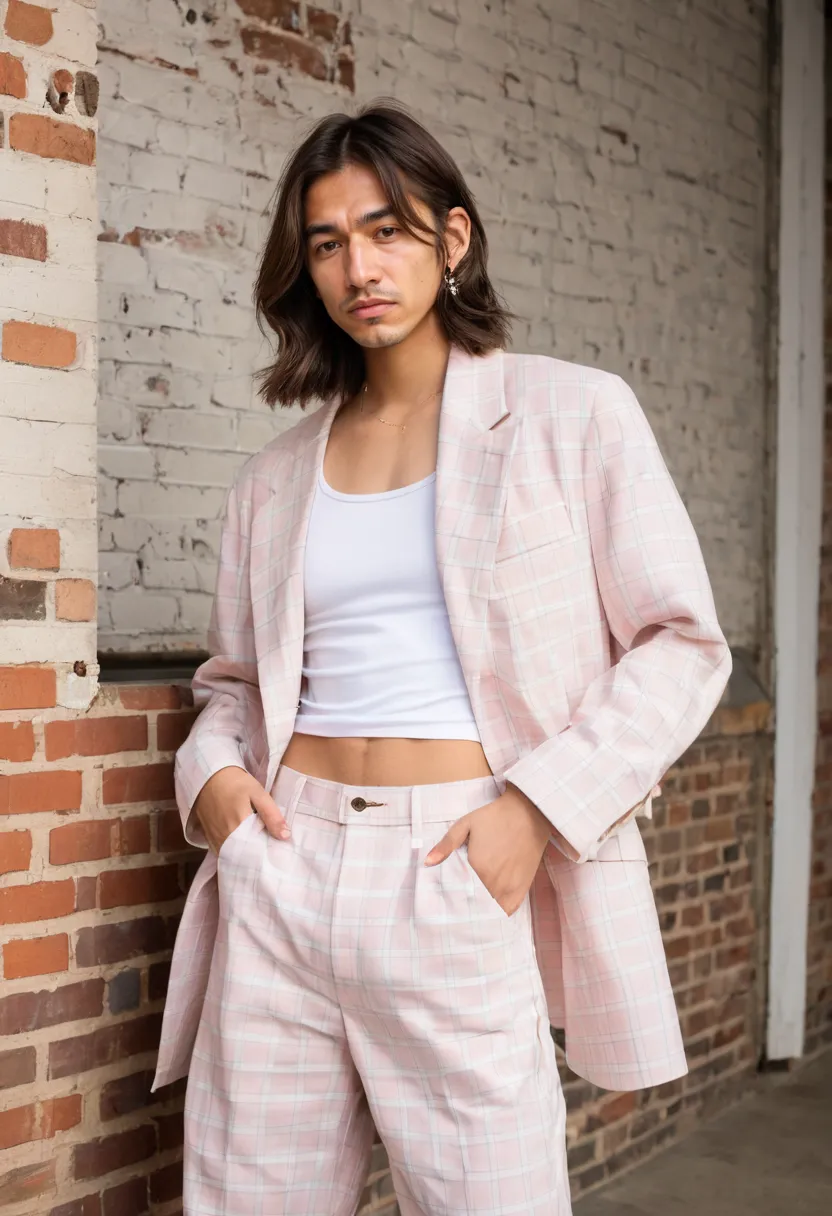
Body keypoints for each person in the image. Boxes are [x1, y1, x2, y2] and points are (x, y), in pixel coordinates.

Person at [151, 100, 732, 1215]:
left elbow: (679, 642)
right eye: (326, 243)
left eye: (386, 230)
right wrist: (216, 784)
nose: (357, 265)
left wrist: (536, 810)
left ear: (450, 240)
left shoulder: (574, 416)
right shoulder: (272, 477)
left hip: (452, 865)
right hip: (280, 866)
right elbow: (231, 685)